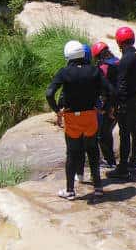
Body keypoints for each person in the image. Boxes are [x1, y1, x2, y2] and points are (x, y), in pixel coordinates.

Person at [46, 40, 113, 200]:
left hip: (72, 118)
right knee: (92, 150)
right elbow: (110, 91)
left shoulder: (64, 72)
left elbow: (49, 93)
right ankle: (98, 187)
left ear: (68, 56)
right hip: (90, 116)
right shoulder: (95, 71)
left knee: (72, 153)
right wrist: (103, 108)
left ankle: (70, 190)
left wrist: (58, 111)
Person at [107, 26, 136, 178]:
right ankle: (133, 161)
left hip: (125, 102)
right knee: (135, 130)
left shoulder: (125, 60)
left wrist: (114, 104)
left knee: (124, 134)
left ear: (119, 43)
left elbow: (121, 84)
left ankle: (123, 167)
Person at [91, 41, 119, 168]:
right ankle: (111, 160)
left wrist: (105, 107)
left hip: (110, 104)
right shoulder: (117, 61)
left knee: (103, 135)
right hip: (122, 101)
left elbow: (106, 89)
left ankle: (110, 161)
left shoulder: (103, 67)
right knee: (107, 132)